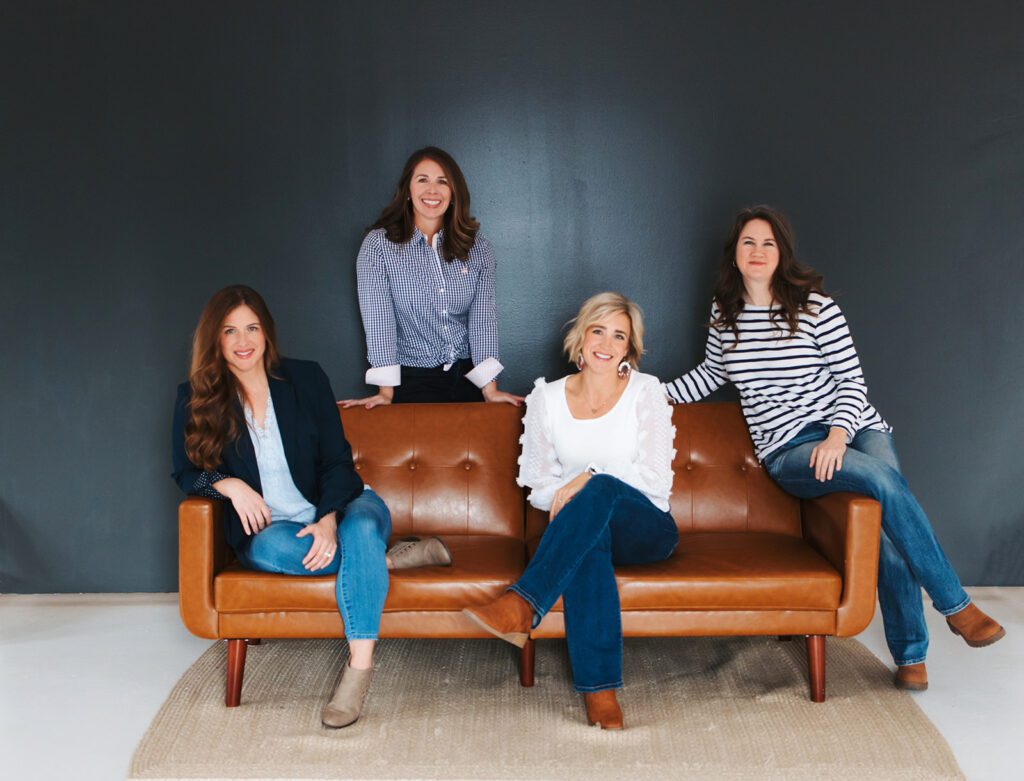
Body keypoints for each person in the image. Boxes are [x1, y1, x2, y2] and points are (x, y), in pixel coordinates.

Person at [664, 206, 1005, 691]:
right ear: (734, 255)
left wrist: (839, 435)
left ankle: (912, 654)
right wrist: (642, 393)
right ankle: (957, 606)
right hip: (786, 446)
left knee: (884, 522)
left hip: (852, 427)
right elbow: (711, 377)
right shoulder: (726, 313)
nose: (758, 252)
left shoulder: (816, 306)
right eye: (748, 243)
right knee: (881, 481)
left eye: (768, 243)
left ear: (781, 253)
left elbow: (852, 382)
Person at [171, 285, 450, 729]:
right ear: (215, 339)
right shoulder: (197, 395)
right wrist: (229, 485)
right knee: (309, 553)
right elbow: (185, 472)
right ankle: (391, 560)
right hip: (272, 529)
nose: (243, 341)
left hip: (346, 504)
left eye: (252, 328)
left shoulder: (305, 378)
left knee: (358, 533)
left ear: (267, 333)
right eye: (230, 331)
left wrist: (328, 520)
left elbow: (339, 462)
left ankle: (358, 670)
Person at [463, 292, 679, 729]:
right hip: (587, 527)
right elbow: (539, 487)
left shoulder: (646, 391)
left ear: (628, 349)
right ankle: (600, 692)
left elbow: (657, 481)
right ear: (581, 337)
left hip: (646, 528)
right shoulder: (547, 398)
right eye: (599, 330)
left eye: (619, 335)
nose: (607, 342)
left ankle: (522, 605)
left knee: (596, 491)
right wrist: (579, 490)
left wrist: (591, 477)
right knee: (588, 536)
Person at [342, 146, 522, 408]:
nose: (432, 190)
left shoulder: (478, 248)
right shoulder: (378, 246)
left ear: (453, 193)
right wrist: (385, 393)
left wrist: (490, 389)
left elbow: (483, 322)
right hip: (412, 381)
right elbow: (379, 322)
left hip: (467, 378)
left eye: (442, 181)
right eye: (422, 180)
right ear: (407, 190)